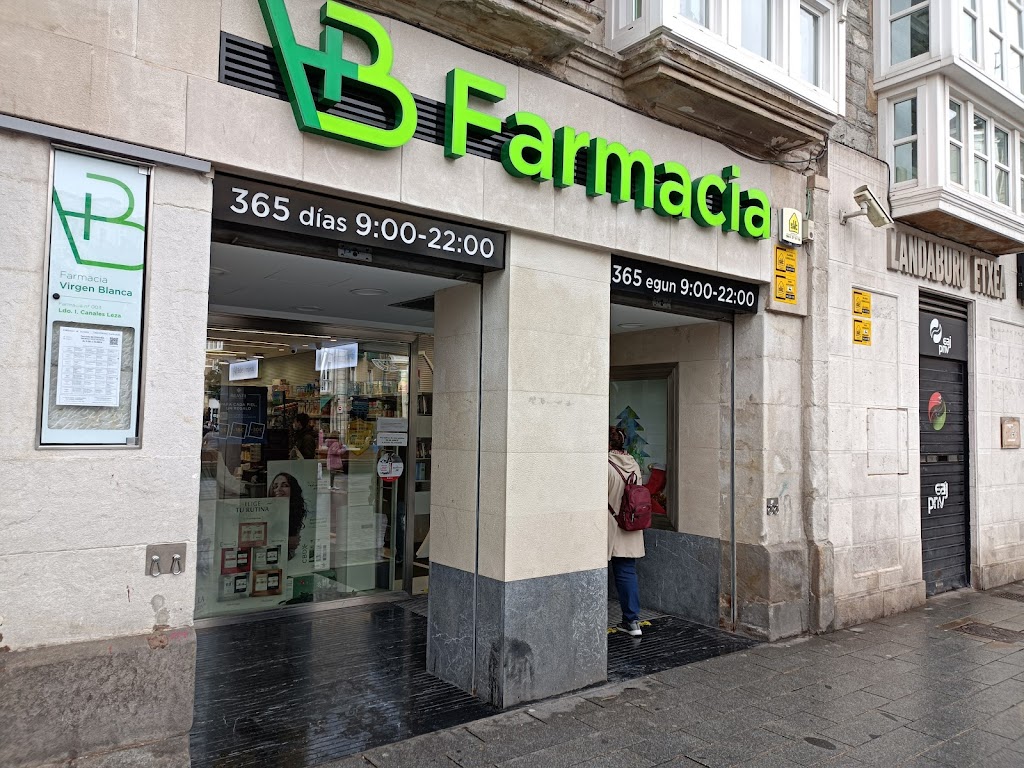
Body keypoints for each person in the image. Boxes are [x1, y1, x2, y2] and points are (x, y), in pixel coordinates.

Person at [608, 426, 646, 637]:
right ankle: (632, 621)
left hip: (609, 526)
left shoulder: (605, 466)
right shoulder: (634, 465)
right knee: (626, 572)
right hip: (630, 525)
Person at [270, 472, 309, 561]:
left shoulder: (296, 512)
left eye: (285, 485)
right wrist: (286, 541)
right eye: (275, 486)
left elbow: (293, 548)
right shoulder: (267, 512)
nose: (278, 489)